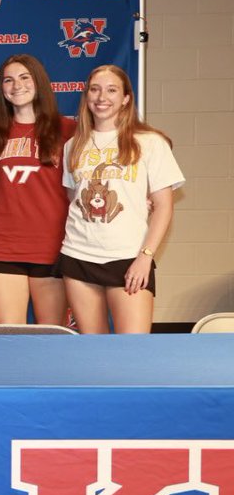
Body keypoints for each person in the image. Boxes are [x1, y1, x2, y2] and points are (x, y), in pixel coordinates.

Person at [60, 65, 184, 333]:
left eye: (111, 90)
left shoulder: (149, 142)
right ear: (87, 95)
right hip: (78, 255)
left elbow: (164, 206)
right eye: (95, 89)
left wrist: (145, 258)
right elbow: (74, 199)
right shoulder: (73, 145)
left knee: (132, 350)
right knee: (95, 350)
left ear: (126, 98)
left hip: (129, 257)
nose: (101, 97)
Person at [0, 54, 75, 326]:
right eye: (8, 80)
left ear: (39, 83)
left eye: (24, 78)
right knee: (9, 335)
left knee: (52, 337)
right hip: (2, 243)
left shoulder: (68, 129)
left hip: (51, 242)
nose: (16, 85)